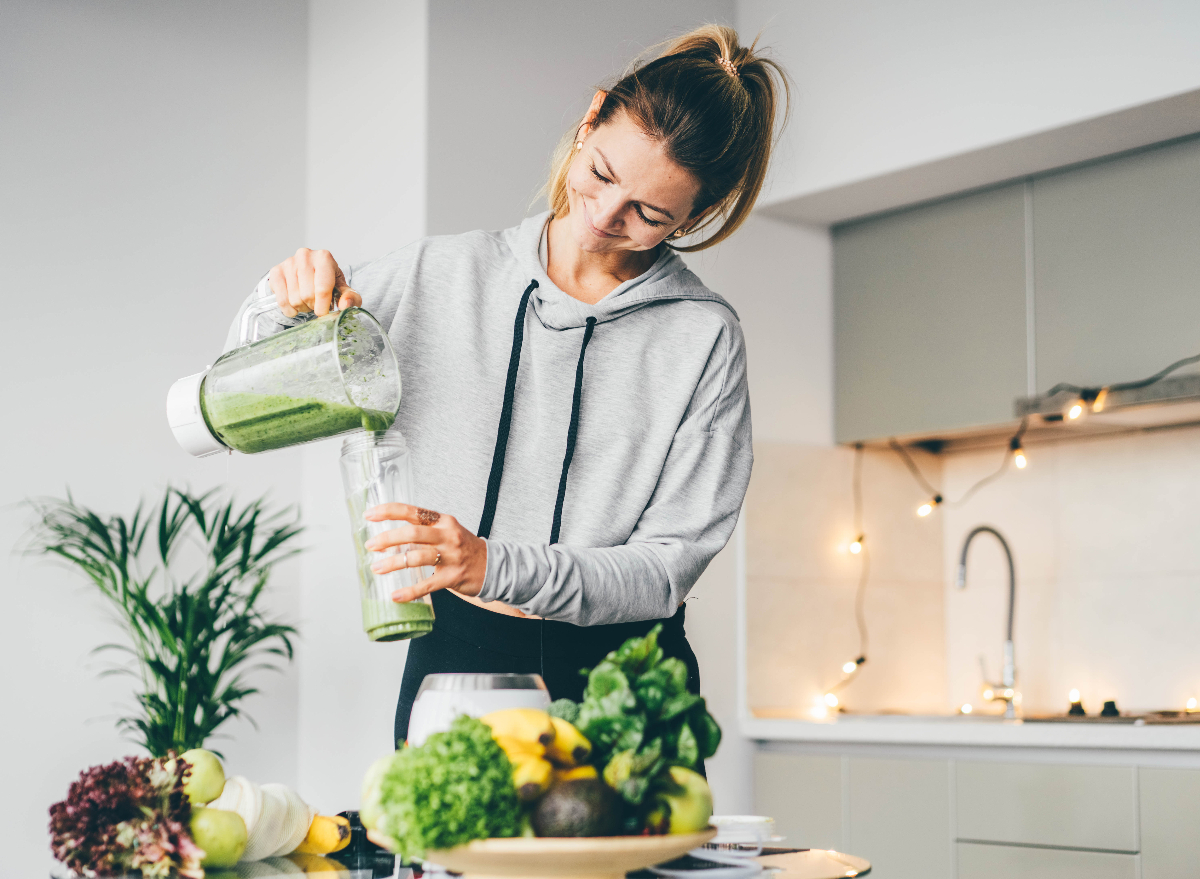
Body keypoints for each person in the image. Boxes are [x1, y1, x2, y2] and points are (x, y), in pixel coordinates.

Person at [237, 24, 789, 746]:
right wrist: (283, 299)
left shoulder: (702, 338)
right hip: (457, 663)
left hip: (628, 680)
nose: (602, 217)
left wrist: (490, 563)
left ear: (698, 216)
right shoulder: (439, 275)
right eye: (600, 173)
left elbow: (663, 569)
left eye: (649, 215)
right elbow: (245, 393)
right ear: (591, 118)